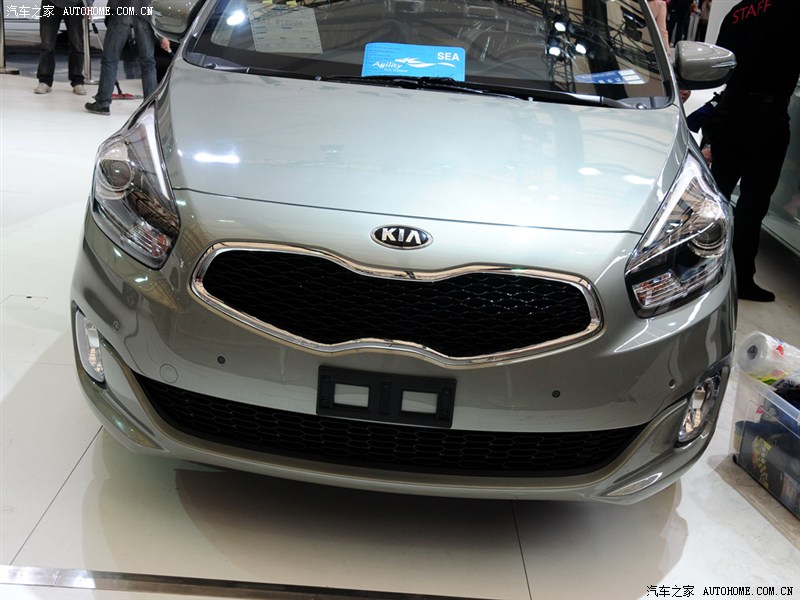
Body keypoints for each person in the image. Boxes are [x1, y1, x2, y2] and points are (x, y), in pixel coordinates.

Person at [705, 0, 800, 302]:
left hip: (731, 111)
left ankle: (701, 270)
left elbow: (718, 65)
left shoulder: (738, 12)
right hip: (768, 118)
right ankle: (741, 278)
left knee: (718, 195)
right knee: (753, 203)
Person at [84, 0, 170, 115]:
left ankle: (102, 104)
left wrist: (89, 4)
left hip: (121, 8)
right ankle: (150, 107)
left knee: (110, 59)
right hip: (145, 11)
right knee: (148, 62)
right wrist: (163, 34)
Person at [34, 0, 88, 95]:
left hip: (75, 4)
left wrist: (89, 3)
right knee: (47, 44)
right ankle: (44, 81)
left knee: (76, 44)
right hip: (49, 3)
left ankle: (77, 81)